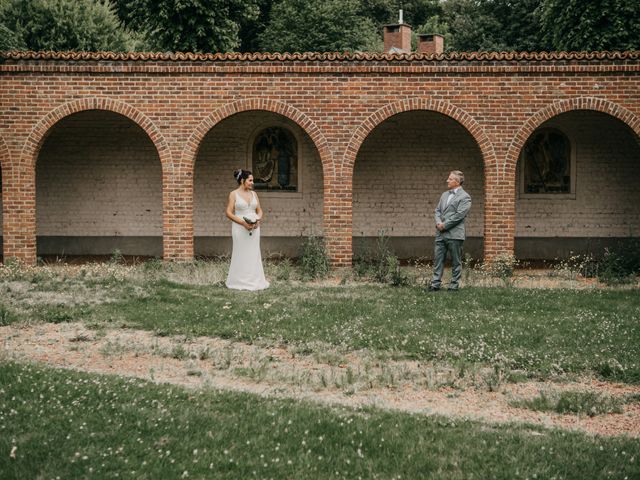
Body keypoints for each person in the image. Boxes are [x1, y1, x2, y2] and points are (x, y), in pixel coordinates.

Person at [225, 169, 270, 290]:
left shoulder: (254, 194)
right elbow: (228, 213)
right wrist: (243, 223)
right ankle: (238, 281)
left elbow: (259, 210)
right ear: (242, 180)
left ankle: (255, 280)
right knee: (241, 253)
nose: (252, 182)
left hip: (254, 228)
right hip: (239, 228)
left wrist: (258, 219)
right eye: (250, 180)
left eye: (252, 180)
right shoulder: (233, 194)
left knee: (253, 253)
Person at [428, 170, 471, 291]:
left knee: (456, 261)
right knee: (438, 260)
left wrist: (444, 225)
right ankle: (435, 284)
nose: (447, 180)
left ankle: (454, 285)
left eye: (450, 179)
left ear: (457, 182)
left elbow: (459, 215)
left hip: (455, 234)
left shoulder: (465, 197)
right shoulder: (444, 195)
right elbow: (437, 211)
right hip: (440, 233)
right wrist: (438, 223)